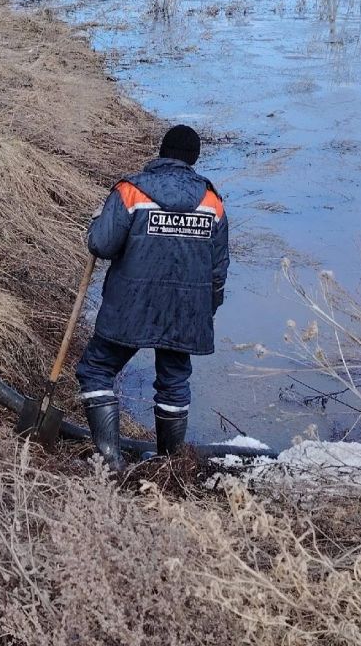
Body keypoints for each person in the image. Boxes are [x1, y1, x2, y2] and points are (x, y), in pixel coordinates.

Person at [76, 124, 229, 470]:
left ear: (161, 152)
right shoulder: (212, 202)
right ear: (194, 159)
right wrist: (205, 311)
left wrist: (97, 223)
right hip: (185, 311)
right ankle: (168, 465)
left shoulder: (130, 191)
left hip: (130, 306)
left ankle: (110, 462)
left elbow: (101, 244)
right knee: (174, 382)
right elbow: (218, 270)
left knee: (96, 369)